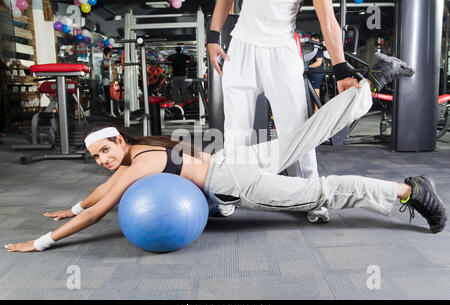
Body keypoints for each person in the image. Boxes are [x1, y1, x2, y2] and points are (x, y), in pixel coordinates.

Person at [4, 53, 447, 253]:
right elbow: (101, 191)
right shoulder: (141, 148)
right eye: (96, 157)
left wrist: (43, 241)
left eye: (104, 150)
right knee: (305, 134)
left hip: (235, 178)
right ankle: (375, 85)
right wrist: (72, 204)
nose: (103, 161)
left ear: (118, 141)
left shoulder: (136, 163)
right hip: (232, 163)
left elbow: (99, 212)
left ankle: (409, 192)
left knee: (321, 192)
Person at [207, 0, 359, 218]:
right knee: (236, 129)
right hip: (240, 47)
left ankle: (310, 194)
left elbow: (328, 20)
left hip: (282, 50)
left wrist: (341, 70)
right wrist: (213, 37)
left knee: (296, 128)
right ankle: (230, 191)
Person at [307, 33, 325, 113]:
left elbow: (318, 62)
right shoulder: (313, 49)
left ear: (317, 40)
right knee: (312, 92)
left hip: (316, 73)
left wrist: (307, 67)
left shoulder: (318, 50)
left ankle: (317, 110)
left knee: (315, 91)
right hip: (312, 73)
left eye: (313, 39)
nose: (311, 41)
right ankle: (313, 109)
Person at [101, 47, 112, 114]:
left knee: (109, 97)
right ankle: (108, 111)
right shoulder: (106, 61)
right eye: (111, 52)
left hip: (108, 81)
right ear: (108, 53)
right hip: (107, 82)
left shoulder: (108, 60)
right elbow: (106, 71)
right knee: (108, 97)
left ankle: (109, 110)